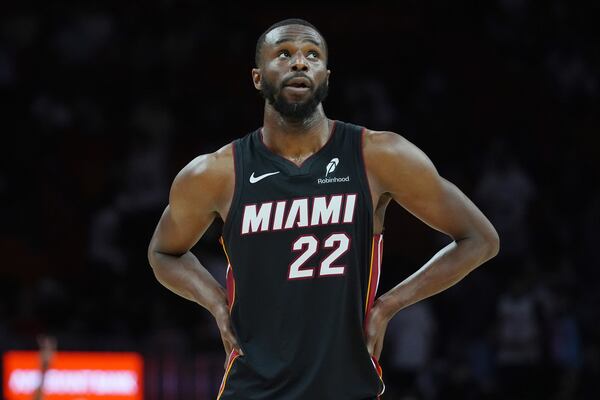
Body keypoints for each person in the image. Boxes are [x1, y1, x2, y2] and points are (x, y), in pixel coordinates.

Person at [147, 18, 499, 400]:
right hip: (253, 389)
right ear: (257, 78)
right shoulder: (216, 173)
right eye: (284, 54)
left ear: (326, 78)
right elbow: (163, 252)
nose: (300, 63)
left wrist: (388, 306)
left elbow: (480, 239)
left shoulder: (379, 156)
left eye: (312, 56)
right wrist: (216, 302)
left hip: (347, 387)